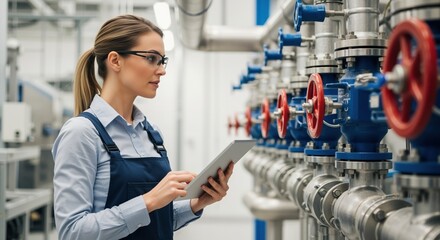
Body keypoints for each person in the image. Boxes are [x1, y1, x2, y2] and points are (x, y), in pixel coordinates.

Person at [52, 14, 234, 240]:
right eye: (151, 58)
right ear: (115, 61)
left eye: (162, 61)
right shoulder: (82, 133)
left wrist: (198, 203)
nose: (161, 70)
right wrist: (148, 201)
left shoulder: (150, 133)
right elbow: (73, 232)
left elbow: (154, 221)